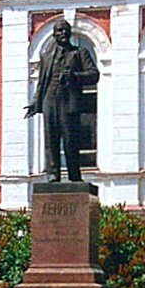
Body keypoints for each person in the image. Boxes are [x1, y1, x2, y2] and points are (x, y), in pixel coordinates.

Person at [25, 19, 100, 183]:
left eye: (66, 30)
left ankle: (74, 175)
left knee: (70, 140)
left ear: (70, 33)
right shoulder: (47, 57)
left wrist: (75, 76)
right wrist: (36, 102)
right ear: (54, 35)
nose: (63, 33)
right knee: (50, 140)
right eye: (59, 31)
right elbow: (42, 82)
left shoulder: (79, 52)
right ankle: (53, 175)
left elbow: (94, 75)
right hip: (49, 100)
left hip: (69, 102)